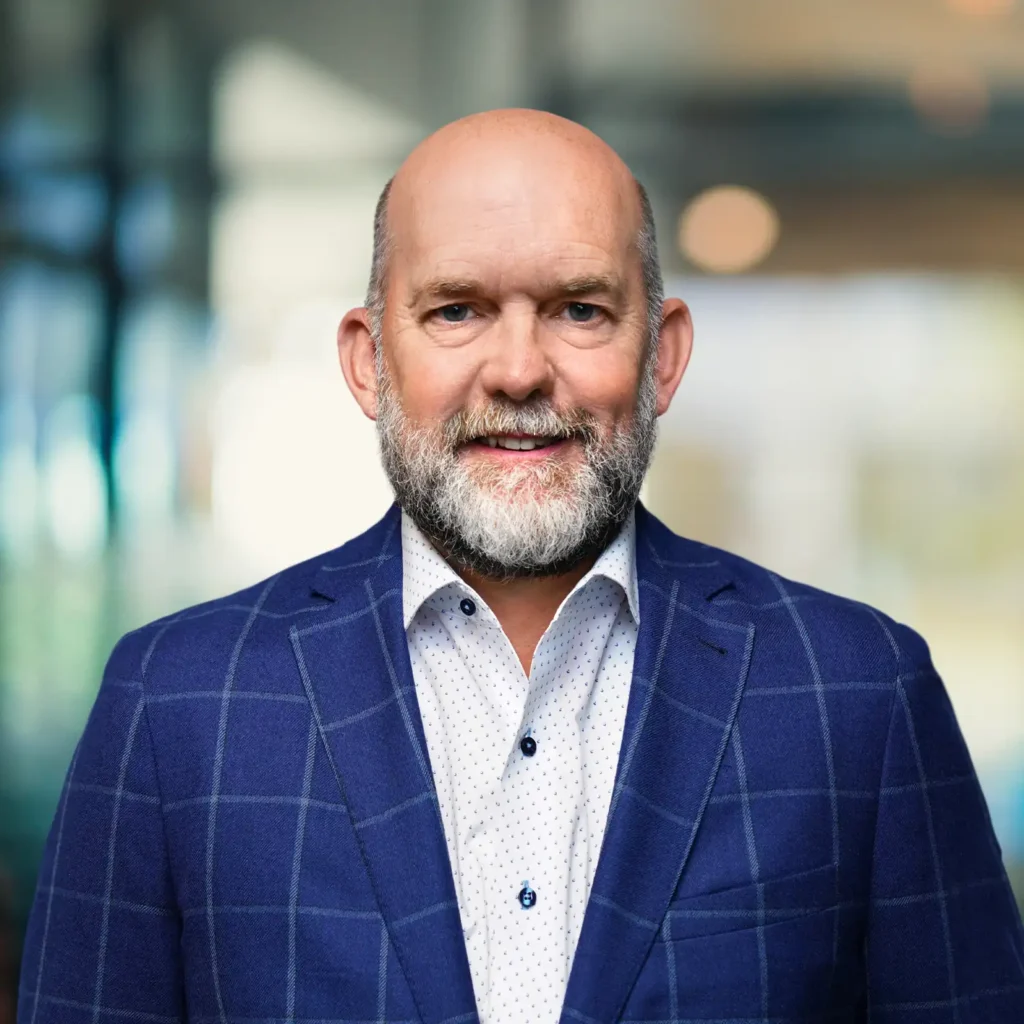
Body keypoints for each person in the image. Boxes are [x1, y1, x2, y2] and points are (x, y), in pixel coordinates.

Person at [18, 109, 1024, 1024]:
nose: (515, 369)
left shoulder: (857, 692)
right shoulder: (179, 702)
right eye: (455, 310)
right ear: (369, 359)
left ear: (662, 355)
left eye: (579, 309)